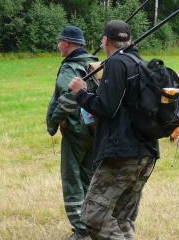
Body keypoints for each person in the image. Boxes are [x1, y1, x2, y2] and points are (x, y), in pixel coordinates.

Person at [68, 20, 159, 240]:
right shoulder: (141, 63)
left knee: (93, 216)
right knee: (122, 218)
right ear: (129, 40)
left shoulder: (116, 63)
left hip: (121, 153)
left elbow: (106, 107)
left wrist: (81, 93)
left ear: (105, 40)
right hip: (146, 152)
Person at [46, 25, 97, 240]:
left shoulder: (70, 68)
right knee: (89, 179)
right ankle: (93, 225)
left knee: (71, 181)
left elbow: (67, 98)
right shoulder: (94, 64)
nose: (58, 46)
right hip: (95, 130)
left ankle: (81, 230)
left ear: (67, 43)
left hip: (75, 131)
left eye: (60, 42)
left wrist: (54, 122)